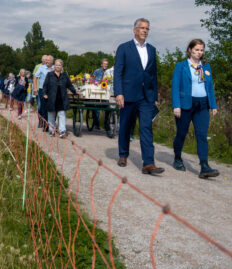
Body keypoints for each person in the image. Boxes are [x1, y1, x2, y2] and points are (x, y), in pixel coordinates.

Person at [114, 18, 164, 174]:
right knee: (126, 126)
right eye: (142, 28)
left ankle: (148, 163)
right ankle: (123, 155)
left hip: (146, 97)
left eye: (147, 28)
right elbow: (118, 73)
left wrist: (155, 96)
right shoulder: (123, 48)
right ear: (134, 30)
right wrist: (119, 93)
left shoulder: (152, 49)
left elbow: (152, 75)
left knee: (146, 128)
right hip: (128, 94)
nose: (145, 31)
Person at [171, 39, 219, 178]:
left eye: (201, 50)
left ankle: (204, 166)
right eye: (197, 50)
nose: (199, 53)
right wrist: (176, 105)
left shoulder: (205, 67)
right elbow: (175, 86)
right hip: (185, 105)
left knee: (202, 136)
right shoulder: (181, 66)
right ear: (190, 50)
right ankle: (178, 158)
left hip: (202, 105)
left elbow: (209, 87)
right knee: (181, 134)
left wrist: (213, 105)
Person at [43, 59, 80, 137]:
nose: (58, 66)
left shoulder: (64, 75)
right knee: (51, 115)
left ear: (61, 66)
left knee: (62, 114)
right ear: (54, 66)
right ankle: (51, 130)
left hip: (62, 98)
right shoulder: (49, 74)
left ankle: (62, 131)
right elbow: (45, 85)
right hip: (52, 98)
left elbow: (69, 85)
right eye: (56, 65)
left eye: (59, 65)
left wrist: (75, 91)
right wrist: (44, 93)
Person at [34, 55, 54, 130]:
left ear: (52, 61)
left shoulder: (54, 68)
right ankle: (44, 124)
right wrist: (35, 88)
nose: (47, 61)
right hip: (42, 90)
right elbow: (35, 77)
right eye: (46, 60)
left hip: (52, 90)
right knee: (43, 107)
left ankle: (51, 124)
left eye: (48, 60)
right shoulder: (41, 68)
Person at [90, 58, 110, 131]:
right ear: (101, 64)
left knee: (108, 108)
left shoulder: (108, 72)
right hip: (96, 92)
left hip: (105, 93)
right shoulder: (97, 71)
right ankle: (97, 124)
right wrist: (95, 83)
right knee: (97, 108)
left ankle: (106, 124)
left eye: (106, 64)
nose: (105, 65)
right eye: (104, 64)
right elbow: (91, 79)